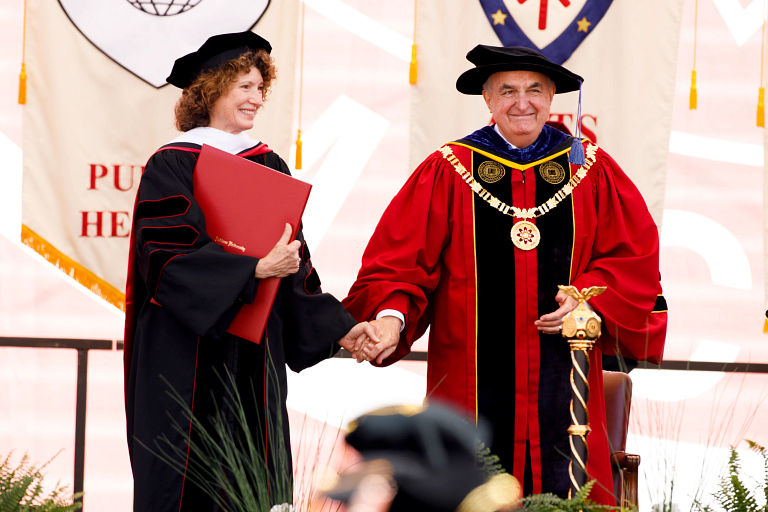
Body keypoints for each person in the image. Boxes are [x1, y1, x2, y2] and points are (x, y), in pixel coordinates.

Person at [343, 45, 668, 504]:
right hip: (469, 374)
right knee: (466, 490)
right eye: (508, 91)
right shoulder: (450, 169)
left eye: (535, 89)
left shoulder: (589, 167)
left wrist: (587, 299)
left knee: (570, 492)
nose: (523, 102)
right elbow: (401, 261)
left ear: (552, 96)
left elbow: (632, 257)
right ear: (488, 100)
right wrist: (391, 318)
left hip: (567, 371)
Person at [123, 31, 376, 511]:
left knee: (252, 481)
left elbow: (296, 267)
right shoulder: (172, 164)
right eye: (244, 86)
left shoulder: (270, 164)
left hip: (254, 353)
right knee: (182, 481)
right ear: (211, 90)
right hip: (183, 353)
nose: (256, 98)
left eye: (261, 87)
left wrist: (341, 329)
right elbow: (164, 259)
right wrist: (253, 268)